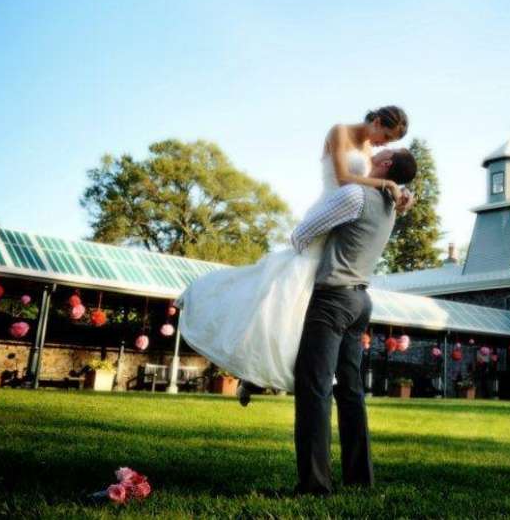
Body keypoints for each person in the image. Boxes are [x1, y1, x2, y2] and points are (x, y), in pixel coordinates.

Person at [177, 106, 413, 396]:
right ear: (376, 121)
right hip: (327, 214)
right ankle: (246, 355)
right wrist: (385, 182)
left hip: (342, 227)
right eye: (385, 136)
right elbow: (342, 178)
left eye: (389, 143)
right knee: (286, 292)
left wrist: (399, 195)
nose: (383, 144)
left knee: (306, 306)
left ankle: (263, 372)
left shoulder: (369, 150)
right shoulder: (340, 131)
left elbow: (368, 193)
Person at [291, 147, 416, 493]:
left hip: (333, 299)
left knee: (314, 387)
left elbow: (303, 232)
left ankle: (315, 484)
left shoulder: (356, 195)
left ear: (386, 164)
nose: (377, 149)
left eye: (385, 149)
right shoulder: (392, 204)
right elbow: (401, 193)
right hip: (361, 301)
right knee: (350, 390)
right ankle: (359, 479)